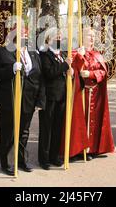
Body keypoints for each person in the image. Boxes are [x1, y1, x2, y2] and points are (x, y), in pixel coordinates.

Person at [0, 29, 45, 176]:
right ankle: (7, 162)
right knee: (8, 130)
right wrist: (11, 69)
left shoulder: (33, 53)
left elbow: (39, 77)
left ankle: (22, 160)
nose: (24, 37)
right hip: (8, 98)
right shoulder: (3, 51)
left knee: (24, 131)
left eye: (26, 35)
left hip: (28, 99)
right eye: (22, 35)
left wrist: (40, 100)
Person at [67, 27, 114, 161]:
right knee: (80, 121)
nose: (92, 38)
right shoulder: (75, 52)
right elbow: (71, 70)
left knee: (93, 122)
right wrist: (79, 57)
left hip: (95, 93)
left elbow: (103, 72)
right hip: (80, 93)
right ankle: (78, 149)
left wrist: (91, 74)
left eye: (93, 36)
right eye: (89, 35)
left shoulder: (97, 55)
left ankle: (92, 148)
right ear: (82, 37)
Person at [38, 30, 72, 170]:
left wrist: (71, 71)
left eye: (60, 36)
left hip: (62, 96)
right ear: (48, 39)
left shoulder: (62, 54)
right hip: (49, 97)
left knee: (58, 127)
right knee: (47, 128)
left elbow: (66, 73)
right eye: (56, 37)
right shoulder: (45, 54)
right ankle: (44, 158)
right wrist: (65, 65)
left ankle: (54, 155)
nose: (59, 39)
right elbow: (49, 72)